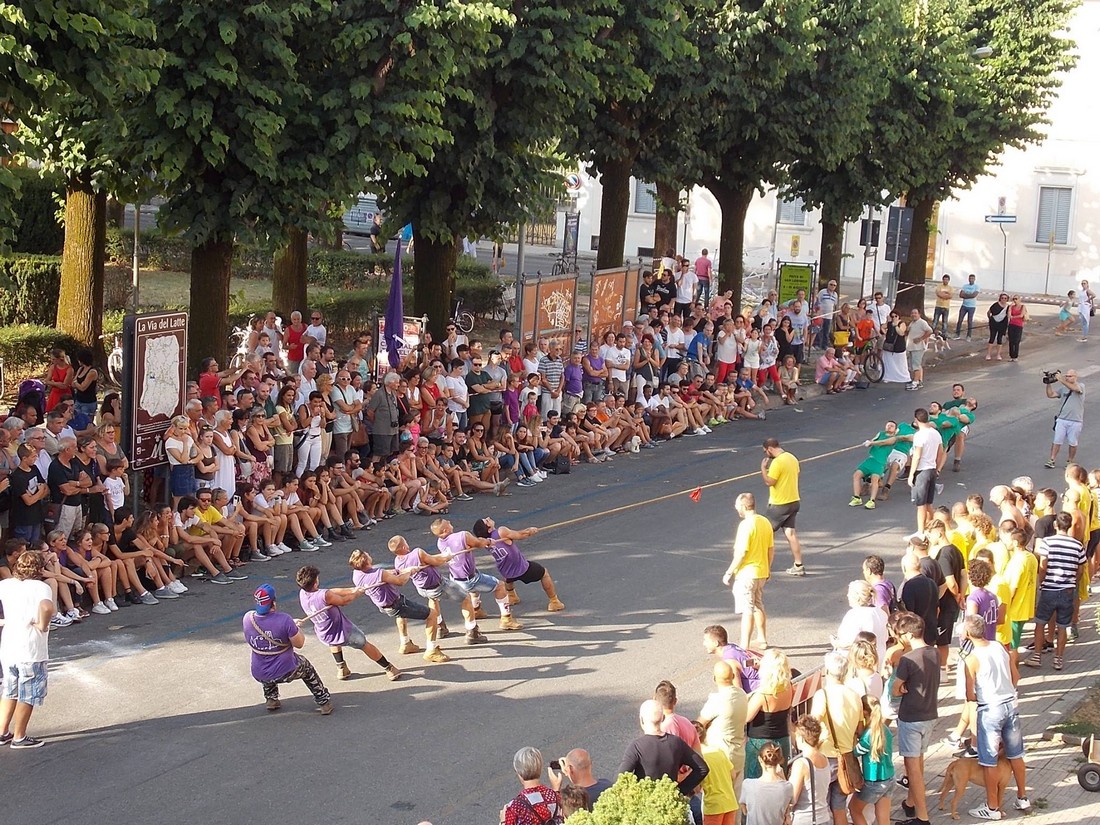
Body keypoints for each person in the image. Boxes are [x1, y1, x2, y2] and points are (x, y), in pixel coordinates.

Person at [961, 616, 1031, 820]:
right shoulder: (999, 647)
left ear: (966, 634)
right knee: (1016, 754)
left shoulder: (972, 659)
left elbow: (969, 695)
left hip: (990, 709)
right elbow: (1016, 677)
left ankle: (992, 808)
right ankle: (1022, 797)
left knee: (988, 759)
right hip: (1011, 704)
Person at [243, 583, 333, 714]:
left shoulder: (248, 618)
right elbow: (299, 643)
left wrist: (290, 624)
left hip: (259, 672)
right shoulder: (284, 620)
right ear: (273, 603)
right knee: (306, 667)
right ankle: (323, 700)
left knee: (266, 661)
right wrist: (295, 628)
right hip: (285, 671)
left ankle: (271, 699)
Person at [346, 550, 446, 665]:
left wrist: (398, 571)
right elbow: (400, 581)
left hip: (383, 605)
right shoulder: (379, 574)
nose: (370, 554)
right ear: (367, 561)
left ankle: (405, 643)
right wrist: (409, 572)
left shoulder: (357, 574)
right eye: (368, 555)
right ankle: (431, 650)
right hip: (397, 604)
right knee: (432, 614)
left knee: (401, 615)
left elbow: (385, 573)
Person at [0, 551, 55, 748]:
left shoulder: (5, 585)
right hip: (31, 647)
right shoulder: (41, 587)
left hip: (9, 645)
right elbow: (47, 607)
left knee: (10, 689)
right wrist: (42, 624)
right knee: (28, 692)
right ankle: (19, 736)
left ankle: (2, 731)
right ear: (39, 569)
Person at [892, 612, 940, 825]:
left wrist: (902, 687)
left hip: (911, 717)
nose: (899, 638)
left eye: (901, 634)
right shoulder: (934, 653)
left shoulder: (907, 659)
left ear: (909, 635)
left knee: (913, 769)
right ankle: (910, 803)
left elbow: (895, 690)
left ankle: (922, 817)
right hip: (930, 714)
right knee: (918, 760)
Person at [1025, 512, 1084, 672]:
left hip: (1049, 589)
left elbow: (1043, 565)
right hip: (1067, 590)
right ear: (1069, 525)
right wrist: (1072, 582)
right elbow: (1080, 569)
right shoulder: (1078, 545)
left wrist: (1042, 582)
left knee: (1040, 622)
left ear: (1056, 526)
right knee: (1063, 625)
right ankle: (1058, 659)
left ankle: (1037, 656)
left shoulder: (1047, 542)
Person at [619, 699, 709, 797]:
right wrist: (679, 792)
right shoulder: (676, 743)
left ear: (641, 720)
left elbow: (621, 779)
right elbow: (702, 768)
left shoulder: (636, 747)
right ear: (662, 718)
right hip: (670, 803)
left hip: (646, 804)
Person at [472, 518, 565, 612]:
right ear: (489, 529)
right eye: (486, 521)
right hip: (521, 568)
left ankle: (512, 596)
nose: (488, 518)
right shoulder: (501, 531)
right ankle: (554, 601)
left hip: (506, 570)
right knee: (544, 573)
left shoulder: (484, 541)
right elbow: (521, 535)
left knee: (508, 578)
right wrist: (530, 531)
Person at [723, 492, 774, 649]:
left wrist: (729, 572)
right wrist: (768, 569)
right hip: (761, 572)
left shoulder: (746, 525)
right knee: (758, 605)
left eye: (737, 506)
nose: (736, 508)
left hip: (746, 574)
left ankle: (744, 645)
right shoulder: (764, 522)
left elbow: (741, 553)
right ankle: (762, 639)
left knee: (747, 609)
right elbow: (771, 549)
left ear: (744, 506)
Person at [697, 660, 749, 793]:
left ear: (714, 678)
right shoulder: (742, 695)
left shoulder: (717, 700)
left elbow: (699, 724)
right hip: (738, 753)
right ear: (732, 676)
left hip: (721, 756)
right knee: (735, 799)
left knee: (717, 797)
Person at [744, 649, 794, 779]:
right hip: (782, 740)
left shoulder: (762, 695)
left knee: (754, 779)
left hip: (760, 743)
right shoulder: (788, 686)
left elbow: (746, 717)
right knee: (779, 778)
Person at [761, 438, 804, 575]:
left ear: (770, 449)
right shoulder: (792, 457)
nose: (766, 454)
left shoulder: (777, 462)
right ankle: (798, 565)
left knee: (764, 533)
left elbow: (770, 482)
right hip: (794, 501)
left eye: (766, 451)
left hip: (779, 504)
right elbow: (796, 473)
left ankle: (764, 566)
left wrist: (763, 469)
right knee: (790, 533)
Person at [850, 695, 894, 825]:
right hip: (889, 777)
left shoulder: (867, 736)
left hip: (874, 781)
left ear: (864, 712)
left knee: (854, 809)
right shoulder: (884, 730)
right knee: (883, 818)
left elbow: (856, 752)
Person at [499, 747, 562, 825]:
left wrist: (503, 821)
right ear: (540, 769)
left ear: (519, 773)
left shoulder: (515, 806)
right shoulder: (555, 796)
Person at [787, 714, 830, 825]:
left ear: (801, 738)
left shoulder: (801, 764)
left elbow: (792, 799)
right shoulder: (825, 759)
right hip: (823, 817)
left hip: (805, 819)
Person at [850, 422, 902, 510]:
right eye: (888, 425)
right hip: (871, 459)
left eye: (892, 426)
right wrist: (869, 442)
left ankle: (872, 501)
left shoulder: (894, 439)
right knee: (856, 475)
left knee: (874, 479)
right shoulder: (880, 433)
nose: (889, 427)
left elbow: (883, 442)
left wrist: (872, 443)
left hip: (880, 462)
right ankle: (857, 498)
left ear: (895, 430)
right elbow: (873, 440)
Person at [908, 409, 945, 533]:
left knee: (921, 505)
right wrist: (937, 468)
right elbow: (941, 452)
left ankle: (920, 531)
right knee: (929, 503)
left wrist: (911, 474)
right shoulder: (935, 433)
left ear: (916, 420)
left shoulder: (919, 435)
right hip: (932, 470)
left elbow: (917, 456)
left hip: (922, 471)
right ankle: (937, 524)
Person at [740, 740, 793, 825]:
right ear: (779, 760)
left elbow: (745, 810)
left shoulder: (747, 785)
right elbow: (788, 807)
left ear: (760, 759)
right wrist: (783, 777)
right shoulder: (787, 787)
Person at [546, 748, 614, 809]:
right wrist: (569, 771)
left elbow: (555, 814)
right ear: (590, 763)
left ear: (570, 769)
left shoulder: (571, 799)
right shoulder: (608, 785)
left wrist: (556, 788)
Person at [1045, 368, 1084, 468]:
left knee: (1073, 442)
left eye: (1069, 376)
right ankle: (1052, 459)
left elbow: (1075, 389)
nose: (1067, 377)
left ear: (1075, 377)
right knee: (1057, 440)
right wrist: (1048, 383)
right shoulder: (1063, 389)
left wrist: (1060, 379)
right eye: (1066, 376)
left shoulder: (1081, 386)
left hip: (1075, 420)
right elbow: (1051, 395)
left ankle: (1070, 461)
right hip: (1062, 419)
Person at [904, 308, 933, 391]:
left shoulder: (922, 322)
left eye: (915, 313)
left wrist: (921, 339)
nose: (913, 315)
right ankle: (919, 381)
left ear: (919, 314)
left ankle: (915, 382)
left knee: (915, 365)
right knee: (917, 364)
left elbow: (930, 331)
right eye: (912, 313)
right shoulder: (912, 323)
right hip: (912, 347)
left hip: (918, 347)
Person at [985, 293, 1010, 361]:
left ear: (1007, 299)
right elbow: (989, 312)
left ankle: (998, 355)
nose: (1004, 299)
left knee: (1000, 339)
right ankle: (988, 354)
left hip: (1002, 324)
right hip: (994, 323)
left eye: (1005, 298)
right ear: (1000, 298)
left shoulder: (1008, 307)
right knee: (992, 338)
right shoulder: (995, 305)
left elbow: (1008, 315)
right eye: (1002, 298)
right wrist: (990, 319)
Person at [955, 274, 979, 340]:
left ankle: (969, 336)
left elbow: (974, 295)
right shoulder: (965, 286)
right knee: (960, 320)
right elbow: (960, 295)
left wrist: (965, 295)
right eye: (970, 278)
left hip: (972, 306)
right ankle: (957, 334)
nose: (971, 280)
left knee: (970, 321)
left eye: (972, 278)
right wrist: (969, 295)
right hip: (964, 305)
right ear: (968, 279)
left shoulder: (976, 286)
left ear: (974, 279)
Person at [1005, 296, 1029, 361]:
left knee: (1016, 341)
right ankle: (1011, 356)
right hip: (1011, 324)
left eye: (1016, 299)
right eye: (1013, 299)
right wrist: (1010, 307)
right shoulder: (1012, 307)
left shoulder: (1022, 306)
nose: (1015, 300)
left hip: (1018, 325)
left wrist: (1013, 317)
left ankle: (1015, 356)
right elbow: (1009, 315)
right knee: (1011, 341)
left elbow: (1021, 315)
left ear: (1019, 299)